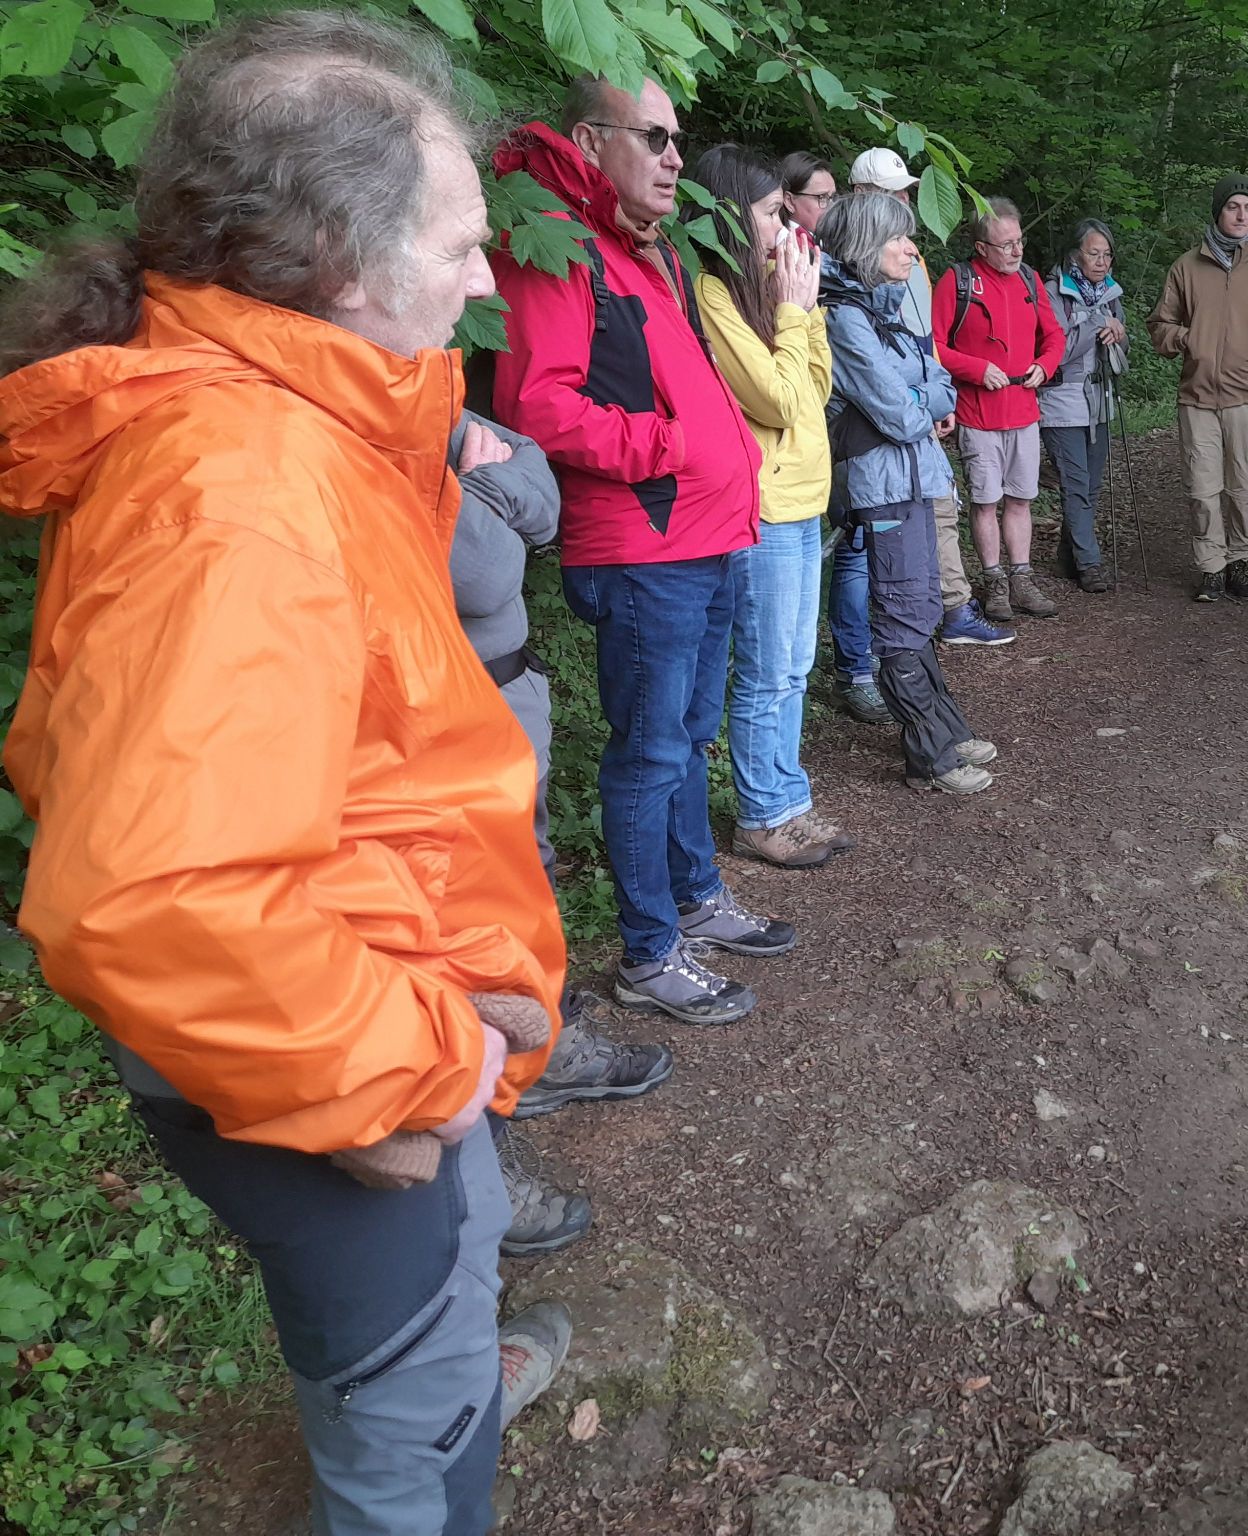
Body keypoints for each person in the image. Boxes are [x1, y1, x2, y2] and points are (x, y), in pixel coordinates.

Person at [0, 13, 571, 1531]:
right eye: (459, 243)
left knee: (424, 1324)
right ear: (337, 259)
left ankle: (449, 1371)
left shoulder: (301, 423)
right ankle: (426, 1432)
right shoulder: (238, 491)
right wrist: (424, 1065)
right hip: (323, 1055)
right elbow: (157, 899)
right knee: (405, 1442)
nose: (486, 278)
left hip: (344, 1005)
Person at [489, 78, 797, 1026]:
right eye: (654, 137)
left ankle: (695, 899)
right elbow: (536, 403)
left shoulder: (637, 249)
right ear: (590, 141)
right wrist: (669, 448)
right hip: (642, 546)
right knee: (651, 750)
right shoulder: (557, 246)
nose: (674, 157)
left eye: (676, 139)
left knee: (688, 737)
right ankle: (650, 952)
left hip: (704, 537)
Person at [448, 411, 678, 1258]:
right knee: (462, 926)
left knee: (529, 884)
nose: (446, 354)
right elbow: (483, 571)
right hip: (441, 713)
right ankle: (472, 1160)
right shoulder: (333, 417)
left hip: (508, 693)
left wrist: (473, 492)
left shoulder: (423, 394)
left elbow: (543, 495)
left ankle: (541, 1049)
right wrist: (487, 492)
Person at [693, 144, 850, 870]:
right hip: (764, 504)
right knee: (767, 669)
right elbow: (779, 400)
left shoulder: (768, 287)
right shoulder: (713, 293)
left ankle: (787, 799)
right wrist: (793, 310)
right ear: (730, 214)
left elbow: (814, 388)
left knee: (796, 664)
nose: (783, 226)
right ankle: (762, 815)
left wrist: (804, 311)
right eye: (767, 212)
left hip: (802, 498)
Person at [815, 191, 999, 794]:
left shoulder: (889, 307)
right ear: (866, 245)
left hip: (918, 474)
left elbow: (940, 384)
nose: (909, 248)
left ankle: (945, 727)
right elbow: (899, 414)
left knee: (921, 603)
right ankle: (929, 752)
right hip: (881, 485)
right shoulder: (844, 317)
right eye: (897, 238)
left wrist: (921, 398)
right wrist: (922, 400)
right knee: (900, 610)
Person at [847, 146, 1013, 648]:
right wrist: (923, 400)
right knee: (868, 546)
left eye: (906, 192)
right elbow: (877, 365)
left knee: (940, 506)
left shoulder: (912, 258)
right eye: (892, 192)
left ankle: (947, 611)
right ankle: (873, 653)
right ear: (862, 194)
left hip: (924, 401)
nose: (904, 200)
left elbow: (926, 341)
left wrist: (939, 400)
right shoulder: (852, 265)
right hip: (880, 424)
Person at [1147, 173, 1248, 602]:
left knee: (1246, 489)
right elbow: (1159, 326)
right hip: (1197, 396)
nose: (1241, 215)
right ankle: (1211, 567)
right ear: (1218, 211)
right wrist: (1187, 338)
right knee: (1202, 489)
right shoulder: (1186, 267)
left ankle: (1241, 562)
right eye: (1233, 207)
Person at [784, 150, 890, 726]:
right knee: (849, 546)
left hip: (848, 430)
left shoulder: (843, 270)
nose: (828, 206)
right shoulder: (802, 270)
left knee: (858, 547)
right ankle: (853, 670)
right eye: (819, 197)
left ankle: (862, 660)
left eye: (833, 197)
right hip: (827, 434)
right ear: (789, 200)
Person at [933, 197, 1066, 621]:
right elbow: (933, 346)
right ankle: (995, 582)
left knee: (1021, 499)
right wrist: (975, 369)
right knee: (986, 501)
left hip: (1024, 409)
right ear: (981, 247)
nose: (1016, 250)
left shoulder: (1030, 280)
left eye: (1019, 241)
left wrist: (1045, 366)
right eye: (1005, 244)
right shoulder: (957, 282)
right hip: (978, 413)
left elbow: (1054, 336)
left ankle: (1021, 579)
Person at [1041, 219, 1129, 593]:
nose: (1102, 262)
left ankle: (1069, 557)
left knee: (1090, 487)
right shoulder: (1053, 292)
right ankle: (1090, 564)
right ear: (1075, 254)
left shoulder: (1110, 294)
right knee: (1076, 485)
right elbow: (1056, 352)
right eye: (1094, 253)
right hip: (1061, 402)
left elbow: (1122, 350)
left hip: (1099, 402)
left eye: (1107, 254)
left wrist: (1118, 335)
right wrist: (1096, 324)